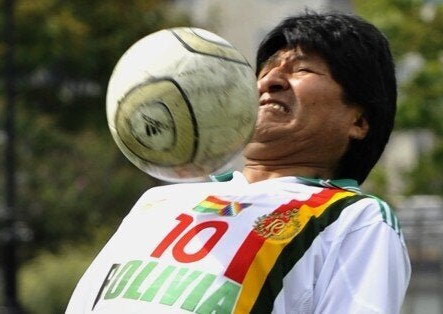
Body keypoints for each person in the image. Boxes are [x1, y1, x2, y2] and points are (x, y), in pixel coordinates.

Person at [67, 11, 410, 314]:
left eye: (302, 69)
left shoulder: (354, 221)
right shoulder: (162, 200)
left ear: (359, 122)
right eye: (267, 68)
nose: (269, 81)